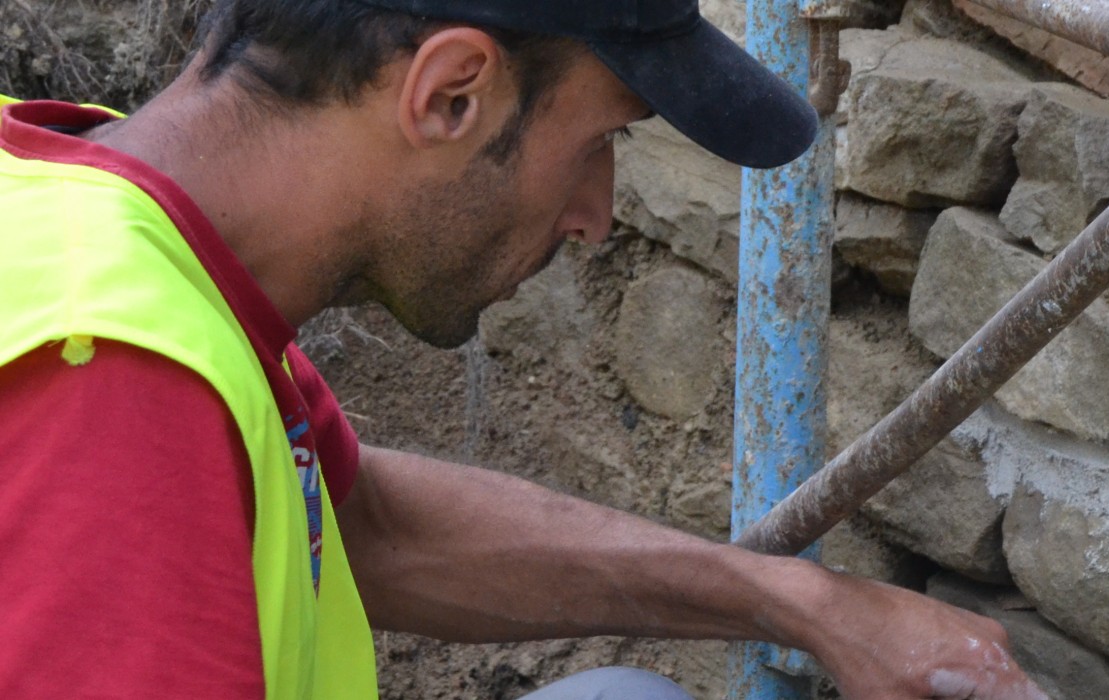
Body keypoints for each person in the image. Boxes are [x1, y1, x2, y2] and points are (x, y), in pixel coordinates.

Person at [0, 0, 1043, 698]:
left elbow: (372, 530)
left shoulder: (83, 205)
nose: (595, 215)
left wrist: (803, 602)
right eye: (598, 141)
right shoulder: (118, 377)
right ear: (451, 93)